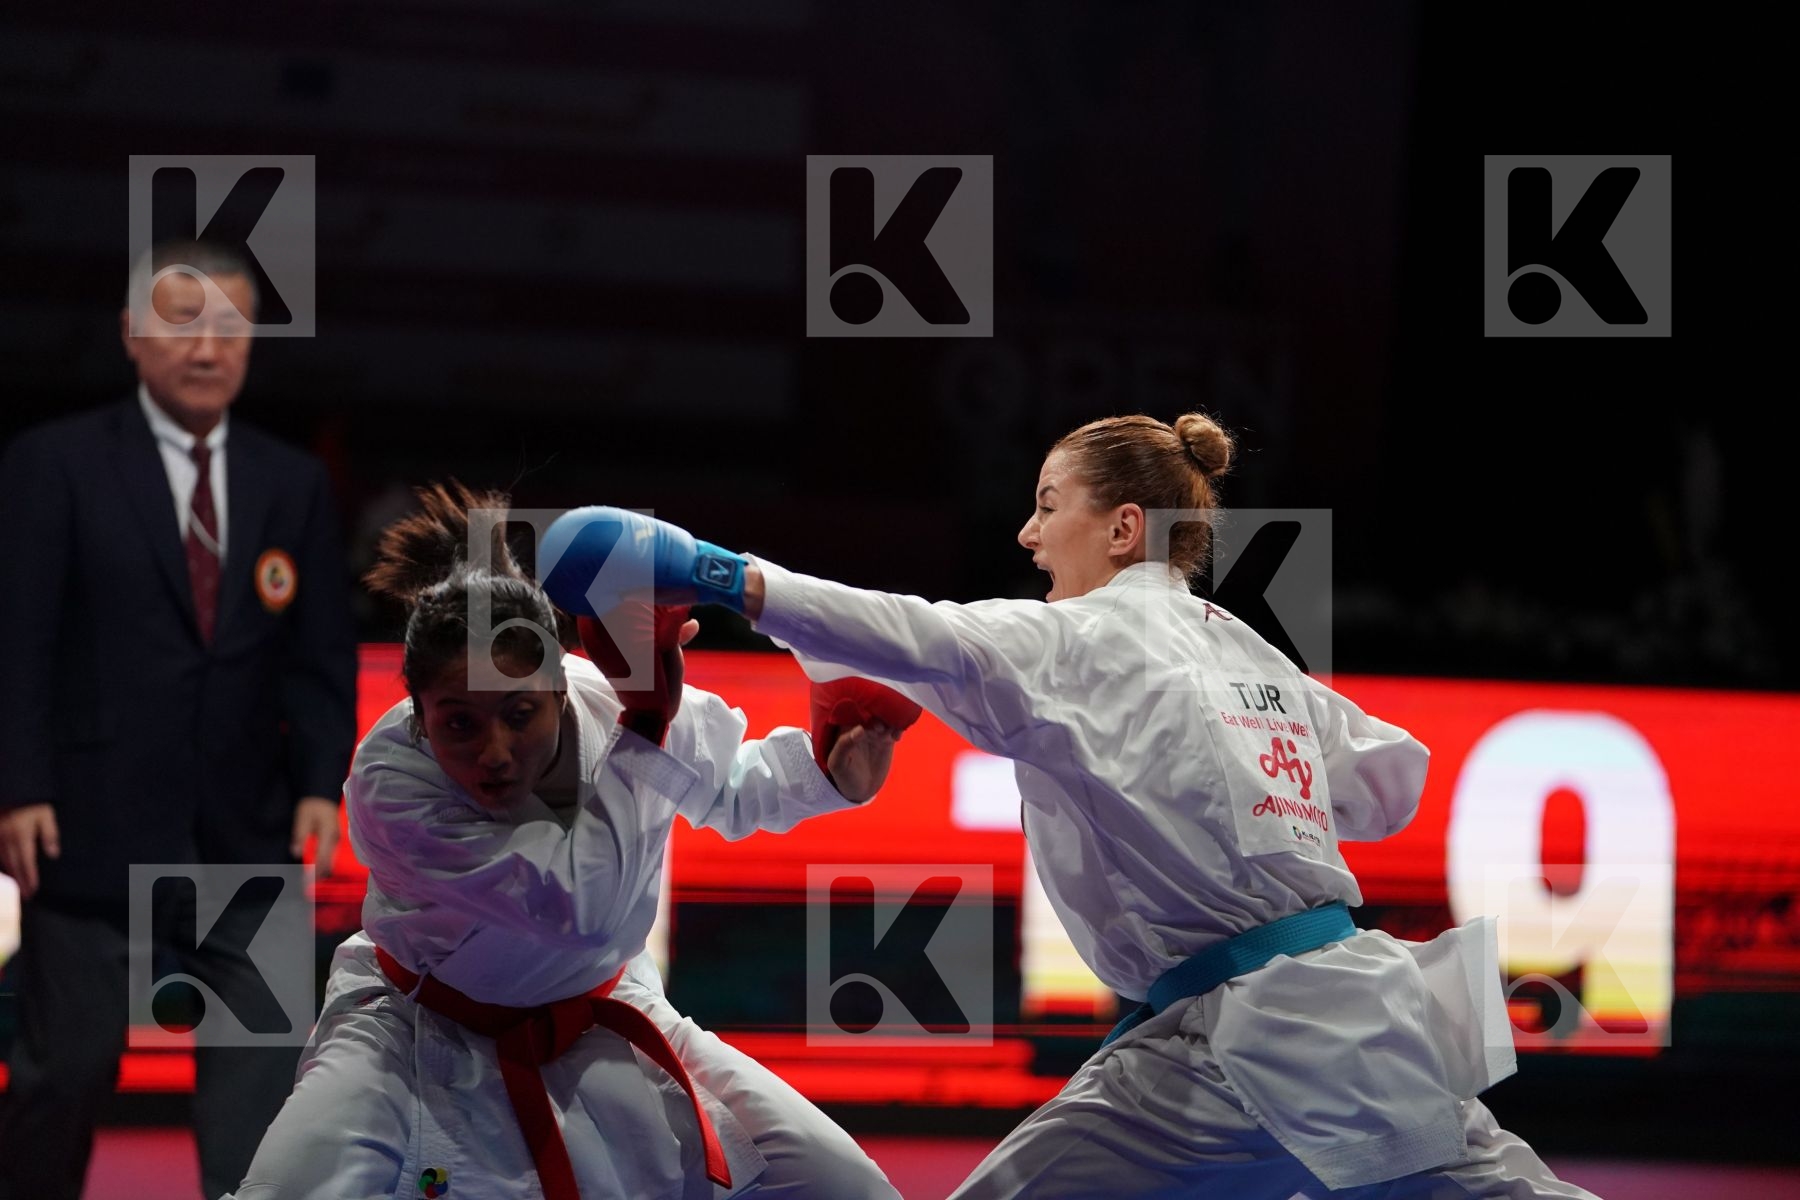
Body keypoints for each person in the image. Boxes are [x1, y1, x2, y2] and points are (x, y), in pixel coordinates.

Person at [541, 413, 1604, 1200]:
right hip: (1347, 1021)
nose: (1026, 534)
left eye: (1049, 506)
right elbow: (1391, 782)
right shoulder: (1250, 655)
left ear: (1124, 524)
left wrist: (715, 574)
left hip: (1232, 1051)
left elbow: (911, 632)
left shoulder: (1076, 641)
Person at [226, 482, 915, 1200]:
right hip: (417, 1035)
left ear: (559, 689)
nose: (493, 751)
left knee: (847, 1188)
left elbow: (734, 787)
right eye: (459, 723)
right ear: (419, 715)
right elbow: (574, 903)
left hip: (610, 1013)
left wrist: (831, 772)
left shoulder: (607, 696)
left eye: (520, 714)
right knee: (281, 1189)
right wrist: (647, 722)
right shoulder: (392, 778)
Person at [0, 240, 358, 1200]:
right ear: (130, 335)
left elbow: (319, 654)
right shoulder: (54, 463)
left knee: (262, 1098)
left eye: (230, 328)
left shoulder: (292, 483)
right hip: (88, 823)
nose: (207, 349)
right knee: (61, 1077)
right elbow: (19, 639)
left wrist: (323, 780)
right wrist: (18, 785)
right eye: (181, 323)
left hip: (247, 832)